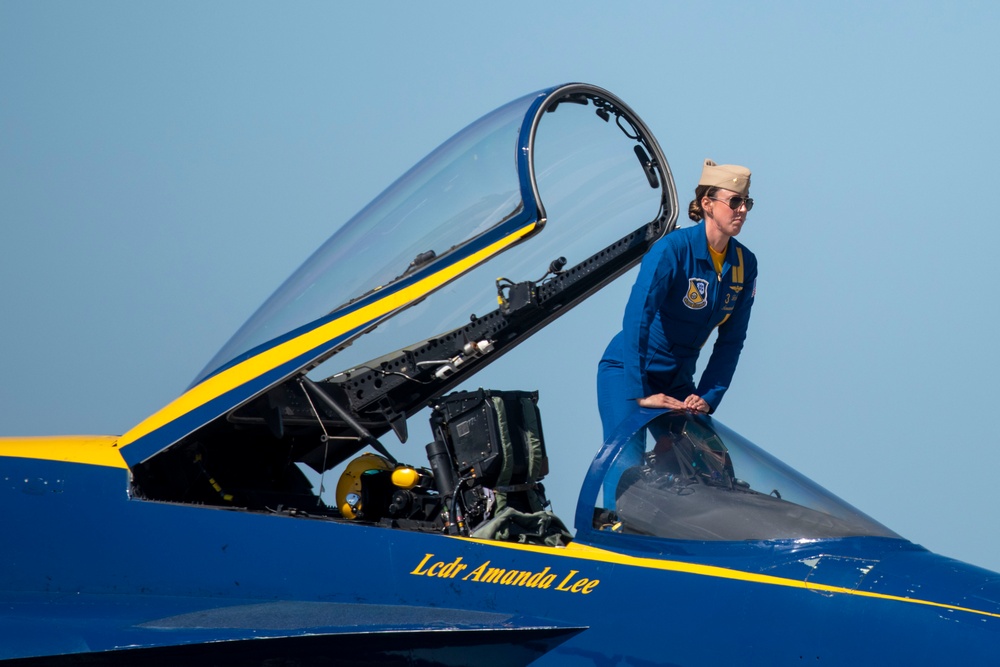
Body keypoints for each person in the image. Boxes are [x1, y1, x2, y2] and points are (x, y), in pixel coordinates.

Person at [596, 159, 758, 504]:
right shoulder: (672, 250)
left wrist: (707, 397)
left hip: (678, 381)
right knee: (626, 464)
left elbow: (732, 341)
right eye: (734, 201)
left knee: (711, 462)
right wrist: (639, 393)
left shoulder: (745, 265)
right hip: (628, 371)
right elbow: (638, 317)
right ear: (706, 203)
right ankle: (613, 532)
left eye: (747, 203)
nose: (742, 210)